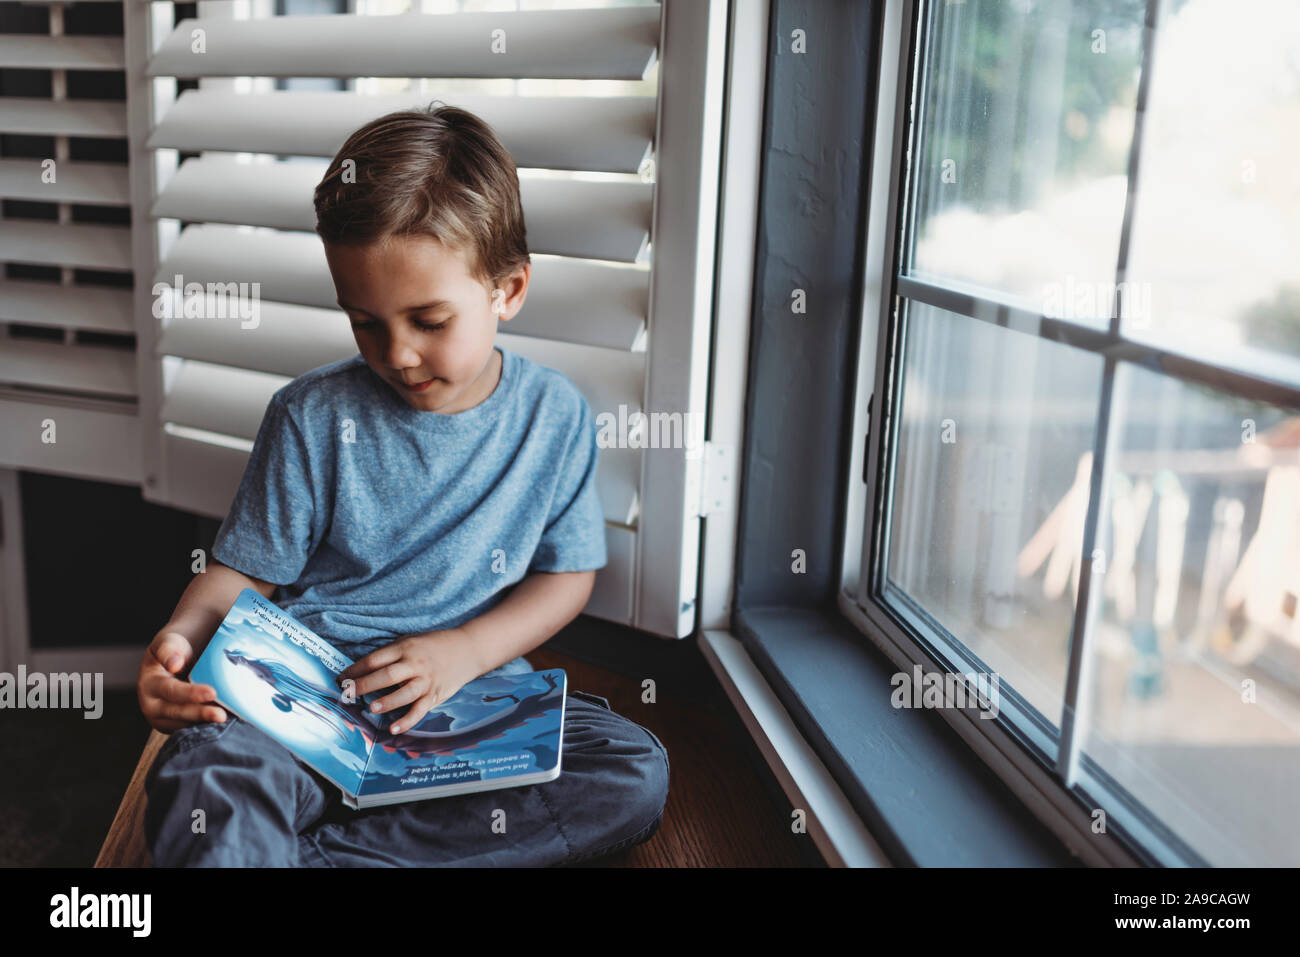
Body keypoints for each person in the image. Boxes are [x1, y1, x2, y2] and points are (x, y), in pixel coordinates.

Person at [136, 103, 670, 867]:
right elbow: (239, 575)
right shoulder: (309, 416)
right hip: (306, 704)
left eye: (428, 319)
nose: (399, 353)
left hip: (465, 708)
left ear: (508, 289)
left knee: (628, 771)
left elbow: (569, 574)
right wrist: (182, 642)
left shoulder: (554, 417)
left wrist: (460, 651)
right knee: (208, 776)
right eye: (366, 323)